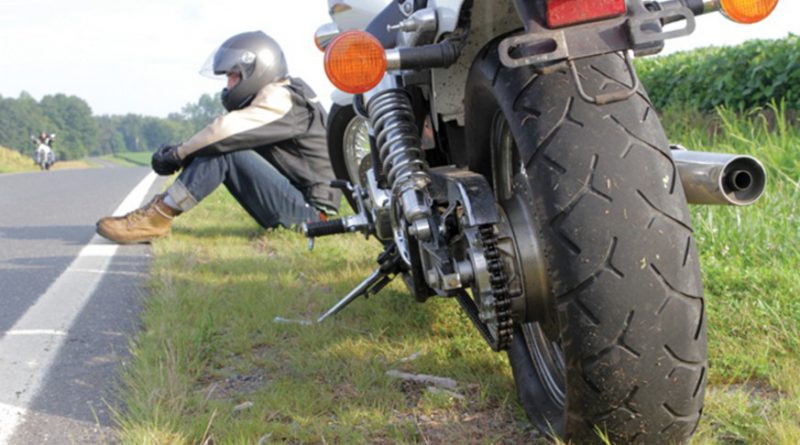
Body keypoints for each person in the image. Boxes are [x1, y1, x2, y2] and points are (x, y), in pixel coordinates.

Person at [96, 31, 341, 244]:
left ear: (256, 70)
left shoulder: (280, 97)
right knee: (214, 147)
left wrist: (178, 154)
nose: (228, 84)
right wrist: (185, 150)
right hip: (302, 205)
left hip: (311, 216)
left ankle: (158, 217)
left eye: (234, 75)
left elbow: (224, 131)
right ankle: (158, 212)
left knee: (224, 150)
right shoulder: (285, 94)